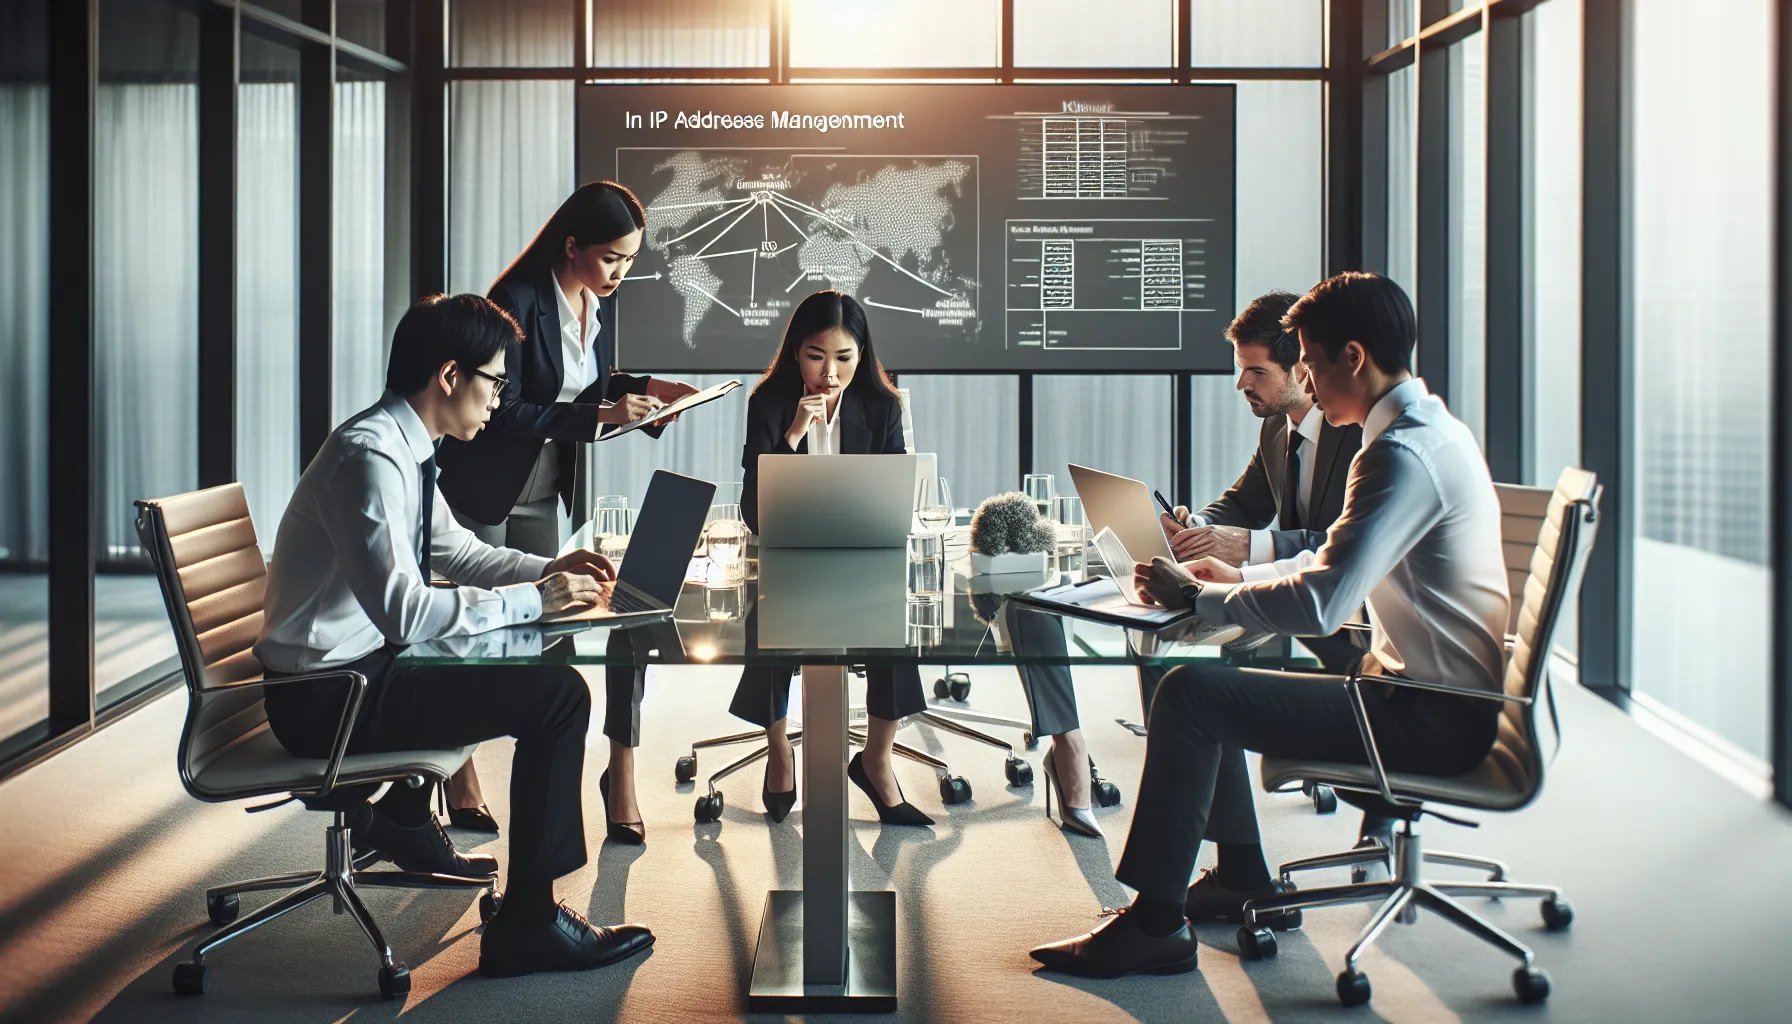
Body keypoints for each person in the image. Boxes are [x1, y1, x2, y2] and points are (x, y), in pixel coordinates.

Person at [1029, 271, 1509, 978]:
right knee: (1205, 682)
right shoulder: (1425, 432)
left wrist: (1200, 603)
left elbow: (1323, 602)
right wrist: (1235, 578)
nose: (1307, 379)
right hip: (1421, 692)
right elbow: (1332, 558)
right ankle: (1241, 875)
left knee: (1191, 695)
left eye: (1309, 358)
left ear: (1352, 356)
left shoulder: (1398, 455)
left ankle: (1157, 925)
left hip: (1425, 713)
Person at [255, 293, 653, 977]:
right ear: (449, 377)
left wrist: (547, 569)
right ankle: (529, 922)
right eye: (496, 381)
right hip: (327, 698)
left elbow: (458, 554)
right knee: (557, 695)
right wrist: (533, 600)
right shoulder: (370, 460)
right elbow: (406, 615)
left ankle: (407, 818)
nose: (501, 398)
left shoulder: (405, 446)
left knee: (502, 653)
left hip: (364, 668)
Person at [434, 181, 698, 838]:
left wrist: (643, 391)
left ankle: (549, 773)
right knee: (474, 633)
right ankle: (458, 772)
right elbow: (506, 406)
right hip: (489, 479)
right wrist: (598, 415)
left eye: (630, 261)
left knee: (548, 628)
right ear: (573, 244)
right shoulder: (516, 301)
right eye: (611, 258)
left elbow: (584, 382)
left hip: (546, 480)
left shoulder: (590, 303)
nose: (620, 273)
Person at [733, 291, 932, 826]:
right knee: (765, 620)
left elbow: (894, 494)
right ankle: (779, 749)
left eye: (845, 357)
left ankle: (876, 758)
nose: (831, 372)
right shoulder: (769, 405)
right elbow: (753, 512)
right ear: (796, 353)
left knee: (893, 619)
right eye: (817, 356)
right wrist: (794, 434)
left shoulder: (882, 406)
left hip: (860, 559)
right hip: (787, 560)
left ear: (862, 355)